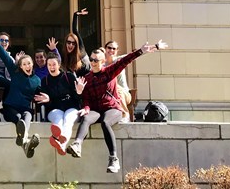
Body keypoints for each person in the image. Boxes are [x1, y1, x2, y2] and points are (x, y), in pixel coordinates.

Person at [67, 40, 168, 173]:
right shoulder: (87, 78)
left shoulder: (109, 71)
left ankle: (113, 159)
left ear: (103, 62)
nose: (92, 62)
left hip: (112, 109)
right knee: (86, 118)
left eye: (96, 60)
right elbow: (86, 100)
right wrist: (83, 101)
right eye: (91, 60)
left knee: (105, 123)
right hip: (96, 109)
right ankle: (77, 144)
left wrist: (142, 50)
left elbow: (125, 60)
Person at [0, 26, 41, 158]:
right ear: (20, 66)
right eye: (24, 64)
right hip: (10, 108)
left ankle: (24, 141)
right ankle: (25, 140)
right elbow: (4, 56)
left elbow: (44, 92)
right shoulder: (15, 72)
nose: (27, 66)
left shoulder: (37, 80)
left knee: (27, 115)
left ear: (32, 64)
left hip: (25, 109)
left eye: (29, 63)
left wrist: (46, 97)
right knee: (19, 119)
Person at [34, 53, 86, 155]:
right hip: (55, 109)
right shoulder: (45, 81)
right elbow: (45, 104)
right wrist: (48, 100)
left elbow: (78, 98)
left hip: (71, 107)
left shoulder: (69, 77)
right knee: (59, 118)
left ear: (59, 65)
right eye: (49, 65)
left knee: (68, 118)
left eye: (54, 64)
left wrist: (79, 92)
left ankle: (62, 143)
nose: (51, 67)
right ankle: (60, 140)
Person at [103, 40, 133, 122]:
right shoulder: (101, 64)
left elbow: (131, 56)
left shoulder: (119, 61)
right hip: (108, 95)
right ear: (105, 49)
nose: (111, 50)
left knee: (116, 87)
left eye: (114, 49)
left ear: (117, 51)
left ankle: (125, 115)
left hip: (123, 93)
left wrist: (154, 47)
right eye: (109, 48)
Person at [62, 9, 91, 77]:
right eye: (68, 42)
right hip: (77, 83)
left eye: (73, 43)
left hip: (89, 78)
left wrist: (76, 14)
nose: (70, 45)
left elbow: (75, 30)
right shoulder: (65, 56)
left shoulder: (81, 48)